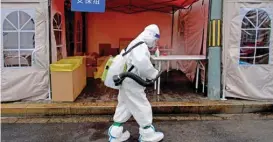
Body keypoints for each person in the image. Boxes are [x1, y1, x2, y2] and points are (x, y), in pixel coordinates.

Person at [108, 24, 164, 142]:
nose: (155, 42)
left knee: (124, 106)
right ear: (150, 35)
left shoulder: (136, 42)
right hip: (131, 82)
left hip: (126, 81)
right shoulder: (141, 45)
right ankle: (147, 134)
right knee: (141, 105)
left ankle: (115, 134)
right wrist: (153, 74)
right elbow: (142, 64)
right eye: (155, 39)